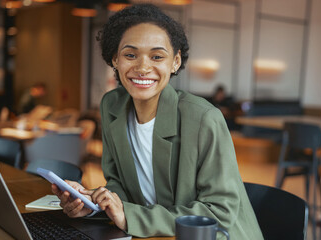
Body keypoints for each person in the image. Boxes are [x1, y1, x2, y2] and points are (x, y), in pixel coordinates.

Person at [51, 4, 263, 238]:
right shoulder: (112, 106)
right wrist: (92, 203)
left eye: (157, 56)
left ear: (175, 61)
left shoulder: (204, 118)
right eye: (130, 55)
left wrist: (129, 216)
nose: (142, 67)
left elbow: (219, 212)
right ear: (115, 59)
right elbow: (119, 185)